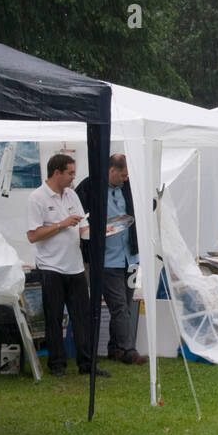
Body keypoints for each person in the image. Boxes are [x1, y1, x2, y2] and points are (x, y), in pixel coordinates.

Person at [26, 153, 106, 378]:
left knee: (82, 316)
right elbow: (33, 235)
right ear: (57, 173)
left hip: (75, 266)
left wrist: (102, 233)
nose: (73, 177)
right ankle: (57, 364)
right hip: (51, 266)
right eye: (70, 173)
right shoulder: (37, 198)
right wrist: (61, 225)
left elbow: (83, 229)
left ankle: (87, 363)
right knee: (54, 316)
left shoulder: (72, 196)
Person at [76, 153, 147, 366]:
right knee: (118, 306)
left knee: (126, 303)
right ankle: (129, 349)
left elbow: (144, 208)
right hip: (106, 259)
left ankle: (115, 348)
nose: (125, 179)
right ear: (111, 170)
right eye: (122, 175)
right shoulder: (89, 187)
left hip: (131, 256)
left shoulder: (130, 187)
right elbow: (79, 217)